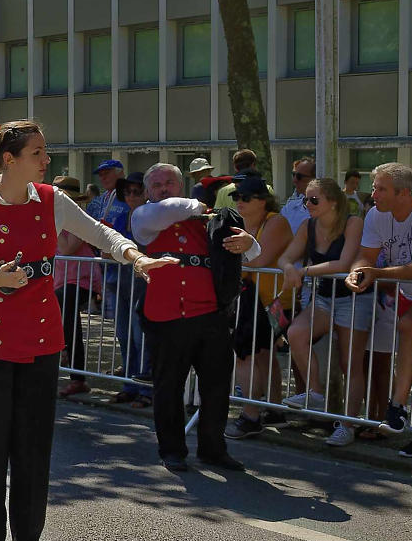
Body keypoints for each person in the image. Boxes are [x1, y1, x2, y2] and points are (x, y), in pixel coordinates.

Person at [0, 121, 169, 541]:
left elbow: (99, 232)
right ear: (10, 160)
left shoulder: (52, 200)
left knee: (34, 441)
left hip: (42, 337)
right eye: (38, 153)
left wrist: (134, 255)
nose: (48, 161)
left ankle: (29, 537)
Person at [130, 163, 259, 472]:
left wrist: (249, 243)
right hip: (166, 314)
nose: (163, 188)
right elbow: (168, 210)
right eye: (157, 184)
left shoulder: (209, 220)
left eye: (170, 182)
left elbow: (252, 252)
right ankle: (172, 450)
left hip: (209, 313)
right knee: (168, 386)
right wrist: (196, 205)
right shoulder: (145, 216)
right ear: (148, 192)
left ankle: (213, 450)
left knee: (216, 387)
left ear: (181, 185)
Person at [342, 162, 412, 455]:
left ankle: (397, 406)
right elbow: (365, 257)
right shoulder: (376, 214)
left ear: (403, 193)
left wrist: (376, 274)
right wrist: (356, 273)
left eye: (380, 189)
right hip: (406, 292)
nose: (373, 194)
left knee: (408, 326)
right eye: (374, 187)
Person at [275, 176, 364, 447]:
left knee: (351, 363)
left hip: (355, 298)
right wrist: (290, 268)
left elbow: (344, 263)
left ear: (333, 202)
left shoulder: (353, 223)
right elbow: (285, 257)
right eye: (306, 199)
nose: (308, 204)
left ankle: (348, 425)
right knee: (297, 332)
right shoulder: (307, 225)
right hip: (324, 298)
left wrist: (304, 270)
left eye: (314, 199)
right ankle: (314, 392)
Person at [221, 175, 293, 439]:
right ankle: (274, 409)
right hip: (251, 300)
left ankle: (252, 415)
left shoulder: (276, 221)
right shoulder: (238, 223)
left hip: (274, 303)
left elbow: (257, 260)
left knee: (247, 352)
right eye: (237, 197)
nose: (239, 202)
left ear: (263, 200)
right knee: (263, 353)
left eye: (246, 197)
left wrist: (230, 259)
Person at [50, 176, 104, 399]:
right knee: (60, 318)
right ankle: (65, 355)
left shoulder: (80, 219)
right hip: (62, 278)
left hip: (82, 277)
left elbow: (68, 247)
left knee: (70, 322)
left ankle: (77, 377)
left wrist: (54, 223)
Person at [280, 157, 317, 231]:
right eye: (294, 175)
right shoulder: (289, 208)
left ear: (314, 179)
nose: (294, 180)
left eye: (299, 177)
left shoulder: (324, 209)